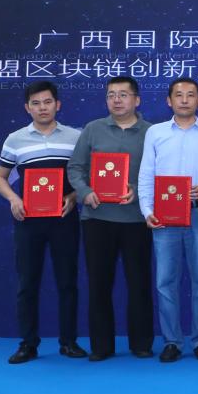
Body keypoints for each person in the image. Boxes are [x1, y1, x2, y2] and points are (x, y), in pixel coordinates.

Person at [0, 81, 83, 364]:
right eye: (36, 103)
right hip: (28, 221)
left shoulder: (75, 137)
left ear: (58, 105)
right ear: (27, 108)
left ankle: (68, 342)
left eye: (47, 102)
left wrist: (73, 196)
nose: (42, 108)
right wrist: (13, 199)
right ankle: (28, 344)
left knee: (67, 282)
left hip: (64, 219)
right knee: (27, 283)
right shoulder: (15, 139)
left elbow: (87, 176)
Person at [67, 76, 154, 361]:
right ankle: (101, 346)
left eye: (123, 94)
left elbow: (159, 173)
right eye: (111, 95)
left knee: (139, 284)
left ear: (137, 100)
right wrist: (85, 192)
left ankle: (141, 343)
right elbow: (75, 167)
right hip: (97, 218)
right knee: (99, 284)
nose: (117, 100)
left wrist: (138, 191)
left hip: (137, 220)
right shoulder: (93, 129)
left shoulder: (152, 132)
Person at [137, 78, 198, 363]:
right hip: (164, 215)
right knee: (165, 281)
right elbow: (146, 174)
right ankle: (172, 341)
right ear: (169, 100)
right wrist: (147, 210)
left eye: (190, 95)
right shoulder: (155, 133)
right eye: (179, 95)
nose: (184, 100)